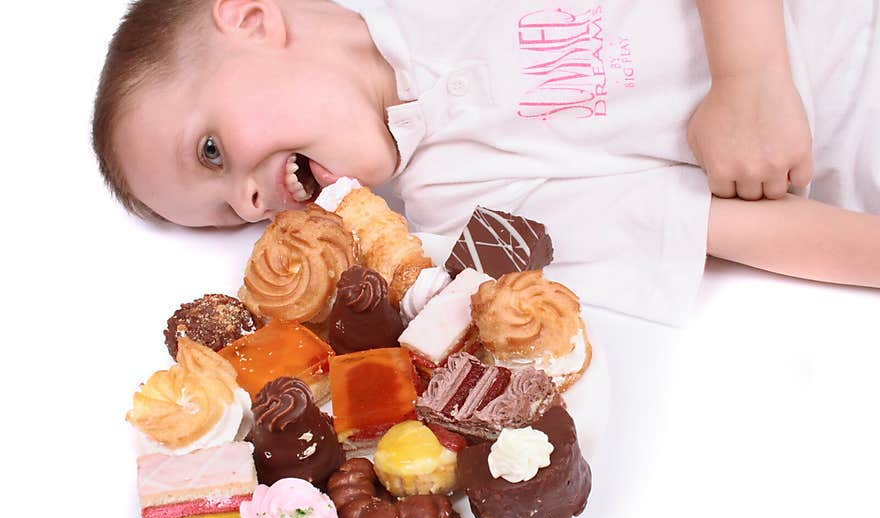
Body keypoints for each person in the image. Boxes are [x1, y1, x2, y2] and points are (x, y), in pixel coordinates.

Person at [92, 0, 879, 325]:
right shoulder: (460, 224)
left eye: (211, 151)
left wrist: (752, 72)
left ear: (252, 19)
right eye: (229, 208)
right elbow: (727, 227)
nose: (252, 197)